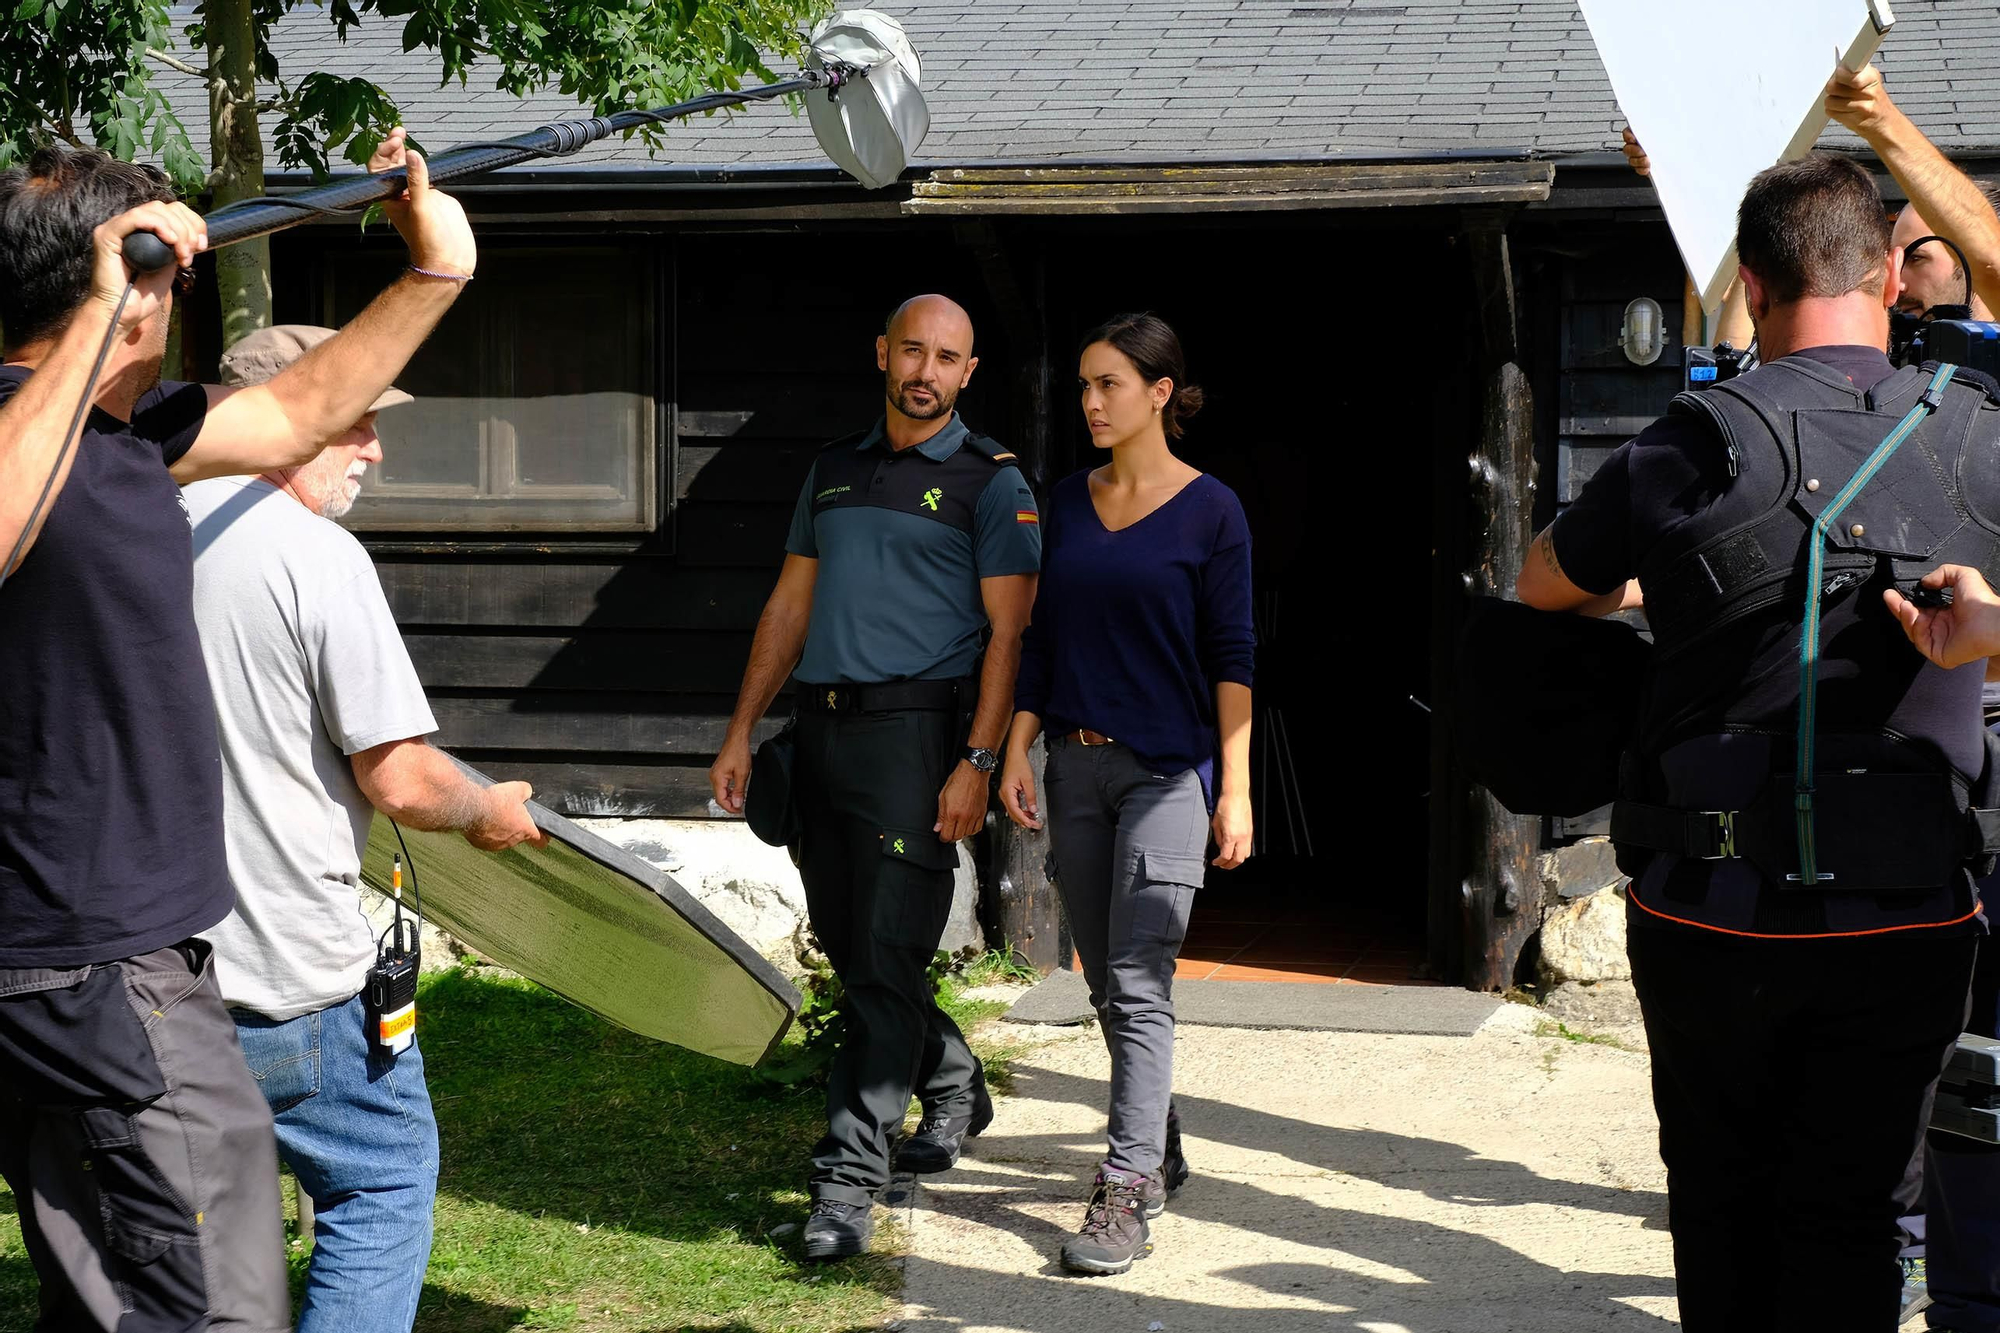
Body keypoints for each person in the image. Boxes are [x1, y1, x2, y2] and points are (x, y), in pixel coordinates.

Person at [0, 132, 477, 1330]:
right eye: (166, 267)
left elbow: (293, 414)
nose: (180, 294)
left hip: (99, 959)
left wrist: (432, 277)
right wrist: (109, 302)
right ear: (112, 273)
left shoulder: (125, 439)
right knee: (223, 1302)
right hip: (90, 961)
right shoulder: (22, 429)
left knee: (112, 1291)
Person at [1519, 146, 2000, 1331]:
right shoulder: (1983, 439)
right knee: (1849, 1218)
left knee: (1722, 1204)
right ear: (1889, 277)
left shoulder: (1688, 439)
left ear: (1753, 277)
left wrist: (1665, 588)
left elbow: (1538, 589)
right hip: (1908, 911)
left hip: (1708, 908)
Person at [182, 322, 544, 1332]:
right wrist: (488, 809)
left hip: (154, 976)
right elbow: (401, 776)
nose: (374, 449)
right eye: (357, 421)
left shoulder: (131, 527)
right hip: (291, 975)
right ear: (290, 414)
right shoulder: (314, 555)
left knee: (199, 1227)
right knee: (379, 1185)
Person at [708, 294, 1041, 1260]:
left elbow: (1010, 638)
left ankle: (846, 1183)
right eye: (912, 351)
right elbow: (789, 603)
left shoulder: (992, 483)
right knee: (864, 961)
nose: (926, 370)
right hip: (821, 737)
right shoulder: (835, 469)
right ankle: (952, 1078)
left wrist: (976, 762)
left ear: (968, 373)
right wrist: (741, 729)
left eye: (947, 357)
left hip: (917, 740)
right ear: (883, 354)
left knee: (883, 965)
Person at [997, 313, 1255, 1276]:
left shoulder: (1213, 511)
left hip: (1166, 775)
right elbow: (1042, 642)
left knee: (1142, 978)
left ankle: (1120, 1192)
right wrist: (1017, 749)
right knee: (1107, 982)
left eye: (1108, 384)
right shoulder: (1066, 501)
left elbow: (1235, 657)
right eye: (1082, 386)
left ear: (1160, 392)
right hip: (1075, 766)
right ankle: (1157, 1134)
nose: (1091, 402)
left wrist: (1235, 789)